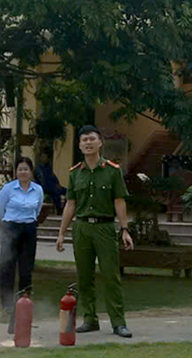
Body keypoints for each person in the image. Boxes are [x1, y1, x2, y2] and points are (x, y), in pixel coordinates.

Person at [55, 125, 134, 338]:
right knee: (84, 276)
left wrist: (125, 229)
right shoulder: (74, 173)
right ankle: (90, 319)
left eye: (91, 139)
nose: (88, 143)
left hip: (105, 227)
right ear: (80, 146)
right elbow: (70, 203)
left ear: (100, 143)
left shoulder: (112, 170)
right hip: (81, 228)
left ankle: (118, 322)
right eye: (84, 140)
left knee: (111, 275)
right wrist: (62, 232)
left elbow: (119, 201)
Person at [0, 157, 44, 332]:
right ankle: (6, 307)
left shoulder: (37, 189)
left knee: (26, 269)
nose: (23, 172)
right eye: (20, 169)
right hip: (11, 228)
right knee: (7, 268)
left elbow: (37, 209)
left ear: (31, 171)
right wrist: (11, 224)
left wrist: (27, 223)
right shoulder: (8, 189)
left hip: (29, 230)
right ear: (15, 172)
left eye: (26, 169)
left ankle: (24, 305)